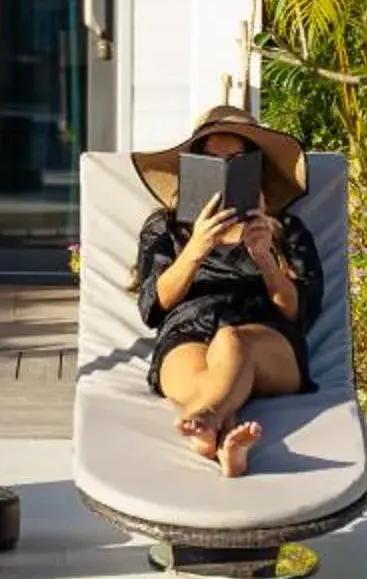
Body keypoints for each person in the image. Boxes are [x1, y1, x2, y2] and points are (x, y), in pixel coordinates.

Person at [130, 107, 323, 476]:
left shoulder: (286, 230)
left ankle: (206, 423)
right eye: (212, 161)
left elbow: (299, 313)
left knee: (231, 342)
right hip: (187, 331)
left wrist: (266, 258)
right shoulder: (165, 229)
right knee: (208, 377)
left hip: (265, 336)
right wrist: (196, 248)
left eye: (236, 162)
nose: (224, 170)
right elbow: (153, 307)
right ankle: (223, 442)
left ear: (255, 168)